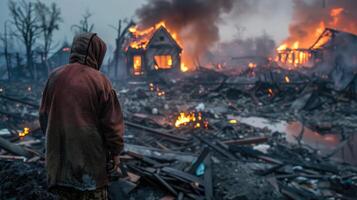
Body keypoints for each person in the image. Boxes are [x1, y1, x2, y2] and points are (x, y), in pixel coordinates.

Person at [39, 32, 124, 200]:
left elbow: (43, 117)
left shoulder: (54, 77)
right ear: (97, 53)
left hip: (59, 171)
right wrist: (115, 153)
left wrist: (57, 142)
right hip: (90, 171)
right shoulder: (100, 81)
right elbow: (112, 126)